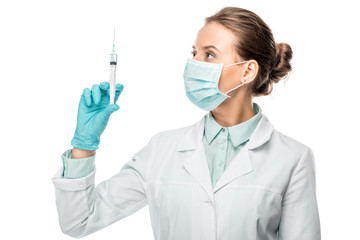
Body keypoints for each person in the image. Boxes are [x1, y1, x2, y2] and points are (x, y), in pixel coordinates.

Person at [52, 6, 321, 240]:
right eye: (194, 53)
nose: (194, 64)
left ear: (247, 71)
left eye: (210, 55)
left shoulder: (292, 159)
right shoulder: (161, 150)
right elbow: (79, 221)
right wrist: (84, 144)